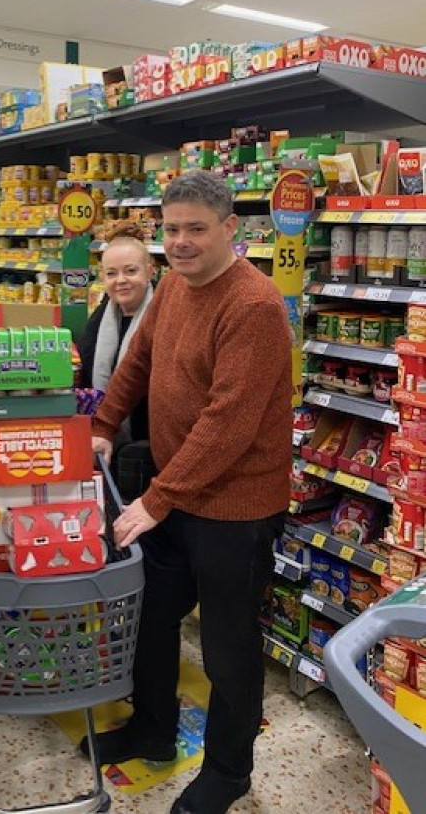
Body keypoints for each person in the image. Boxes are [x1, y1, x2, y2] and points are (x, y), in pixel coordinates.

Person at [82, 171, 291, 814]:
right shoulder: (172, 287)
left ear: (231, 229)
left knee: (229, 648)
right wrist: (103, 426)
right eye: (171, 230)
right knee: (152, 617)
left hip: (236, 509)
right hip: (177, 495)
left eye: (196, 229)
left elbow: (227, 424)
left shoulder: (253, 306)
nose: (181, 242)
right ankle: (153, 730)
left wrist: (155, 499)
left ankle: (229, 772)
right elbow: (138, 360)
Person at [76, 221, 155, 447]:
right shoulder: (97, 323)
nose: (121, 280)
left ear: (149, 271)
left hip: (149, 444)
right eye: (112, 273)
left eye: (131, 271)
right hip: (101, 441)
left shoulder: (165, 316)